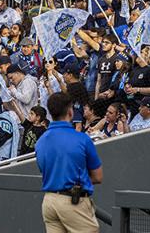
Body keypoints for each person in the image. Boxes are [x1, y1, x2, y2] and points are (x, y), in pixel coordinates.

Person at [36, 91, 102, 233]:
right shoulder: (82, 139)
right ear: (70, 112)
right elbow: (97, 177)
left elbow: (46, 171)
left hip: (49, 201)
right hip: (73, 201)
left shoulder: (41, 141)